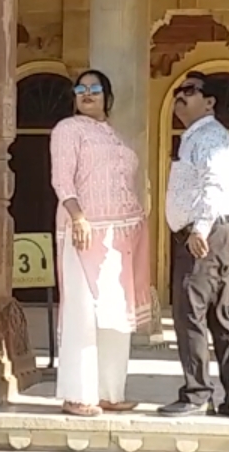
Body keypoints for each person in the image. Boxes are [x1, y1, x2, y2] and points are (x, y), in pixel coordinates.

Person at [49, 68, 154, 416]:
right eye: (80, 88)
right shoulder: (68, 130)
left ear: (108, 98)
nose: (87, 93)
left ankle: (109, 391)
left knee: (114, 314)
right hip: (86, 230)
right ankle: (78, 394)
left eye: (95, 88)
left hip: (121, 235)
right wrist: (78, 216)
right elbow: (62, 179)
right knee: (84, 311)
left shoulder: (114, 136)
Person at [159, 71, 229, 418]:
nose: (180, 96)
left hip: (208, 234)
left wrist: (199, 229)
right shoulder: (198, 137)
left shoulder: (209, 137)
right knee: (222, 317)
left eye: (190, 91)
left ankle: (197, 394)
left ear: (209, 102)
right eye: (179, 90)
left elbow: (213, 184)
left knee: (191, 315)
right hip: (222, 232)